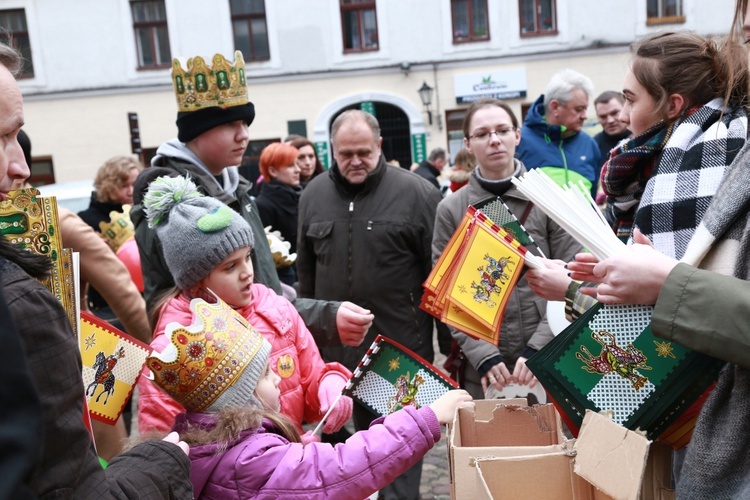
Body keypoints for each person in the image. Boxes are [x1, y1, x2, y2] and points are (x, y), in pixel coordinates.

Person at [0, 41, 193, 498]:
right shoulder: (59, 227)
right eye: (4, 138)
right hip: (77, 384)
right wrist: (158, 354)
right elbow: (124, 289)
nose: (21, 167)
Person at [130, 50, 373, 351]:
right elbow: (180, 309)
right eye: (230, 125)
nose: (243, 135)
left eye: (245, 124)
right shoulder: (171, 200)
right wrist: (320, 317)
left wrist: (312, 313)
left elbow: (264, 289)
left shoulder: (238, 189)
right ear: (197, 131)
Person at [145, 292, 473, 500]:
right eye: (264, 375)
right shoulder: (250, 461)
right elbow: (344, 467)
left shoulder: (206, 440)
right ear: (240, 397)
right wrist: (424, 418)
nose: (278, 377)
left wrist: (294, 450)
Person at [297, 109, 443, 500]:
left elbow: (437, 278)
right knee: (343, 458)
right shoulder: (312, 196)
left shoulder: (417, 194)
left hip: (399, 354)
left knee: (399, 453)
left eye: (364, 151)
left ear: (380, 146)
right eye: (345, 154)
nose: (355, 161)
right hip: (335, 359)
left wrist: (451, 346)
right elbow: (305, 277)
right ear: (331, 151)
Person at [137, 175, 353, 438]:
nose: (247, 273)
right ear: (194, 281)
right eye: (230, 266)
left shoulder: (274, 307)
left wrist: (329, 385)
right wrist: (276, 459)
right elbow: (168, 447)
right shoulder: (175, 351)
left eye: (247, 257)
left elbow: (310, 377)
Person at [432, 98, 582, 399]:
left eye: (502, 130)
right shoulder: (451, 209)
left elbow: (575, 277)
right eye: (482, 133)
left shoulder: (549, 198)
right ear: (468, 144)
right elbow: (447, 294)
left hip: (550, 356)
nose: (494, 140)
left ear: (517, 135)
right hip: (486, 368)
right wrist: (484, 355)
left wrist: (540, 347)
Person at [516, 68, 602, 197]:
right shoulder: (519, 141)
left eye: (585, 109)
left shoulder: (589, 144)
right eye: (579, 109)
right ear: (555, 107)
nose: (584, 116)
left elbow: (593, 195)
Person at [255, 142, 302, 286]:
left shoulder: (298, 196)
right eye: (290, 166)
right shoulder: (263, 205)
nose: (298, 170)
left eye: (297, 164)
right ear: (273, 171)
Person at [592, 91, 631, 166]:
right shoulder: (593, 145)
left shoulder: (642, 138)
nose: (610, 120)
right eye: (603, 116)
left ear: (626, 109)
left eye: (614, 113)